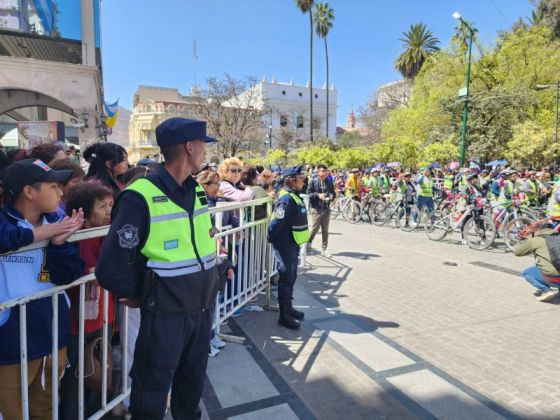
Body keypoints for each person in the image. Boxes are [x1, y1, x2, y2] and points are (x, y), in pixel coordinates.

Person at [95, 117, 219, 419]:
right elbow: (111, 266)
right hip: (164, 315)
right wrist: (142, 295)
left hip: (200, 310)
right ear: (189, 147)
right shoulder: (140, 195)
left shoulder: (196, 190)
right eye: (203, 145)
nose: (206, 151)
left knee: (191, 385)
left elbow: (203, 242)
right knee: (151, 391)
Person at [0, 159, 84, 420]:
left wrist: (58, 243)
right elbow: (6, 238)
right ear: (29, 192)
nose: (61, 192)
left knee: (46, 407)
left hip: (52, 330)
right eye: (53, 186)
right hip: (10, 338)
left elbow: (69, 274)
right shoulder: (5, 220)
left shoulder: (57, 221)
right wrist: (41, 234)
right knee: (12, 411)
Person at [59, 182, 114, 420]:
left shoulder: (107, 233)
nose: (109, 211)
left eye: (110, 205)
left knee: (100, 372)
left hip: (103, 316)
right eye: (102, 206)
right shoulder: (74, 238)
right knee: (75, 382)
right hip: (76, 323)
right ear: (84, 210)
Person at [268, 165, 310, 330]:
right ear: (292, 179)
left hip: (292, 243)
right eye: (301, 176)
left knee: (291, 277)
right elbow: (276, 223)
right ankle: (284, 316)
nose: (303, 179)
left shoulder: (294, 195)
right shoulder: (286, 199)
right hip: (285, 244)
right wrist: (271, 237)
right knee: (286, 278)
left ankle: (289, 308)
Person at [514, 223, 560, 302]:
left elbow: (517, 252)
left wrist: (528, 241)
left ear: (538, 230)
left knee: (527, 272)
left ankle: (546, 290)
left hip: (552, 277)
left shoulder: (536, 240)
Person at [307, 163, 335, 257]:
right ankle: (309, 242)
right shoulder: (313, 181)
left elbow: (333, 193)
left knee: (325, 230)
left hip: (326, 208)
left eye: (326, 171)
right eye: (323, 171)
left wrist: (331, 197)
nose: (325, 172)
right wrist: (318, 195)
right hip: (316, 208)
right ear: (318, 172)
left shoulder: (329, 182)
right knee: (315, 227)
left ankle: (324, 249)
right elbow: (308, 194)